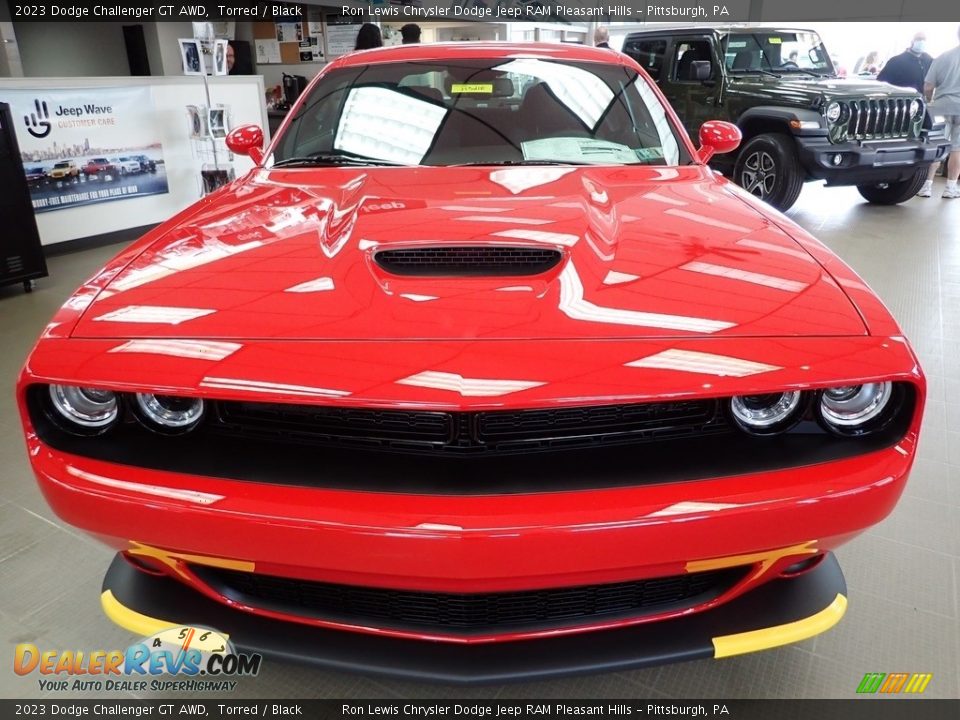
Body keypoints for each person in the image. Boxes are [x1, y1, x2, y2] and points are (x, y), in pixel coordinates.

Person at [918, 25, 960, 199]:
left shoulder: (943, 57)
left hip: (940, 106)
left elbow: (928, 86)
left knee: (937, 145)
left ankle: (926, 186)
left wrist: (929, 101)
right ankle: (950, 188)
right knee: (957, 148)